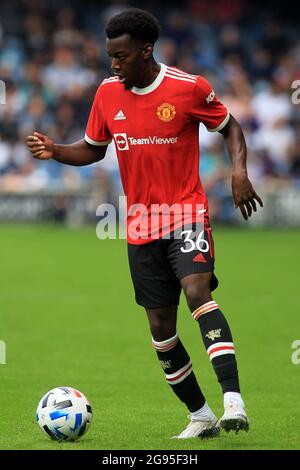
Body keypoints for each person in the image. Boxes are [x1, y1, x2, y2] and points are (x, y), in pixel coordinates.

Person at [26, 8, 263, 439]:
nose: (113, 65)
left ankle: (233, 401)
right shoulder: (107, 94)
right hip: (139, 224)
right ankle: (201, 416)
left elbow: (230, 127)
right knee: (160, 327)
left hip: (185, 212)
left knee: (197, 290)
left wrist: (239, 171)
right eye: (110, 57)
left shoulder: (188, 88)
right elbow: (94, 149)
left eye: (121, 57)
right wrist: (57, 150)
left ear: (145, 51)